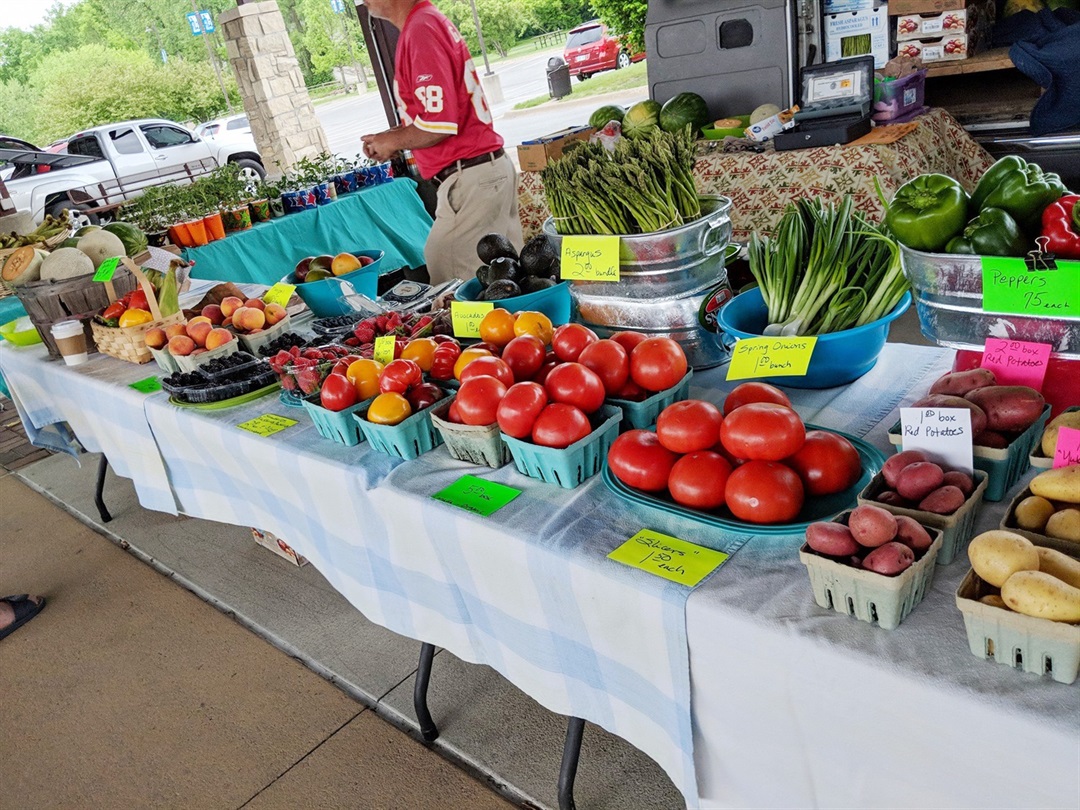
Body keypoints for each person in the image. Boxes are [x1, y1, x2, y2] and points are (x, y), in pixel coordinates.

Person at [360, 0, 523, 286]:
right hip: (485, 171)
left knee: (453, 282)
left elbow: (440, 122)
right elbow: (437, 112)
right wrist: (391, 138)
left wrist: (393, 140)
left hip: (471, 178)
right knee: (508, 283)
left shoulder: (421, 28)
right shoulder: (424, 23)